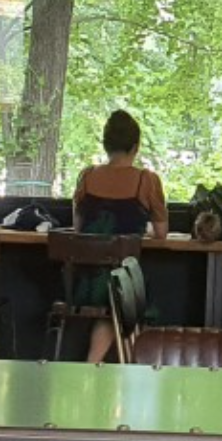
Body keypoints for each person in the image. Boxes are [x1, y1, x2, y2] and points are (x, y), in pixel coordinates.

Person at [72, 110, 167, 362]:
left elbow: (78, 228)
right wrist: (142, 228)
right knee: (128, 298)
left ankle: (93, 364)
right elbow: (161, 233)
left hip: (85, 285)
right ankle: (135, 365)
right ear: (135, 147)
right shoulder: (147, 181)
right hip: (126, 285)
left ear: (106, 145)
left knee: (111, 306)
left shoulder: (87, 176)